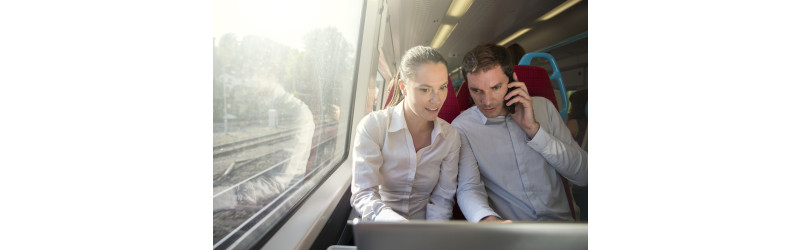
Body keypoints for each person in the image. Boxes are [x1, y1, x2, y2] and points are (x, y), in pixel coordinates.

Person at [453, 43, 587, 222]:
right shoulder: (463, 127)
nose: (487, 101)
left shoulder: (544, 107)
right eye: (476, 91)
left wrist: (535, 130)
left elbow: (584, 176)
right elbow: (469, 187)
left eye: (495, 87)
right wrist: (487, 219)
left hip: (561, 227)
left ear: (512, 81)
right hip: (511, 231)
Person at [351, 46, 460, 222]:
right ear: (403, 87)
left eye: (442, 87)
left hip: (425, 229)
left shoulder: (450, 136)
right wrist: (399, 226)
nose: (437, 99)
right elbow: (364, 193)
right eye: (425, 89)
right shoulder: (374, 126)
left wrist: (430, 234)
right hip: (381, 223)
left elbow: (442, 199)